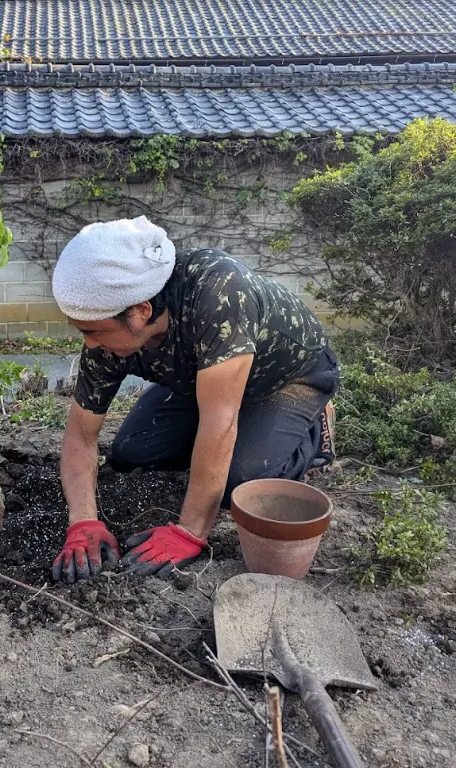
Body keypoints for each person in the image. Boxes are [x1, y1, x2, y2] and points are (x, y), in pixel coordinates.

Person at [50, 216, 337, 583]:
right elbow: (80, 435)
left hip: (287, 379)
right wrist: (83, 521)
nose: (88, 344)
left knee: (241, 482)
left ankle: (315, 428)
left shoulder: (219, 293)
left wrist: (189, 532)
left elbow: (220, 422)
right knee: (130, 453)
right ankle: (246, 434)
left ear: (140, 311)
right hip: (204, 383)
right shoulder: (109, 330)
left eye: (93, 331)